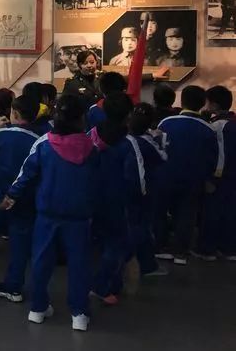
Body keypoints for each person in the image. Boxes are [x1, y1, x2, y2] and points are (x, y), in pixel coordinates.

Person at [0, 94, 99, 332]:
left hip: (47, 213)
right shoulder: (91, 147)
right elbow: (99, 182)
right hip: (79, 215)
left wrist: (10, 196)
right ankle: (79, 314)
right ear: (81, 119)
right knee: (79, 264)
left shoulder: (44, 144)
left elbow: (25, 175)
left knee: (41, 262)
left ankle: (38, 308)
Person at [0, 95, 41, 301]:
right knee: (20, 243)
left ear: (14, 113)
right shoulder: (38, 141)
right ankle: (13, 287)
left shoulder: (0, 135)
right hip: (24, 197)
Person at [155, 85, 218, 266]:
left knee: (160, 211)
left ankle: (160, 246)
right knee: (186, 214)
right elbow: (212, 158)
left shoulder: (166, 122)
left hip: (166, 175)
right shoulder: (208, 129)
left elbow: (157, 147)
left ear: (181, 101)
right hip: (193, 179)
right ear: (203, 103)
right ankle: (180, 252)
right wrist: (208, 179)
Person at [89, 92, 135, 305]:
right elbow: (135, 176)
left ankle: (109, 283)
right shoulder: (128, 142)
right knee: (116, 244)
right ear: (129, 114)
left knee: (99, 242)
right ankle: (102, 286)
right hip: (117, 199)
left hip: (92, 196)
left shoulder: (91, 134)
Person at [127, 102, 169, 277]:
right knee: (142, 227)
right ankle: (147, 264)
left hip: (124, 189)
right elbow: (163, 157)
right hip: (145, 190)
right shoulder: (146, 141)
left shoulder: (123, 138)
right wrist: (159, 140)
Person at [197, 86, 236, 261]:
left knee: (212, 212)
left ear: (214, 105)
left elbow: (219, 154)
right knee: (230, 212)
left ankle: (208, 249)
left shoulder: (218, 126)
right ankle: (229, 248)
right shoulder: (232, 122)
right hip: (232, 176)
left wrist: (211, 178)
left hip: (220, 176)